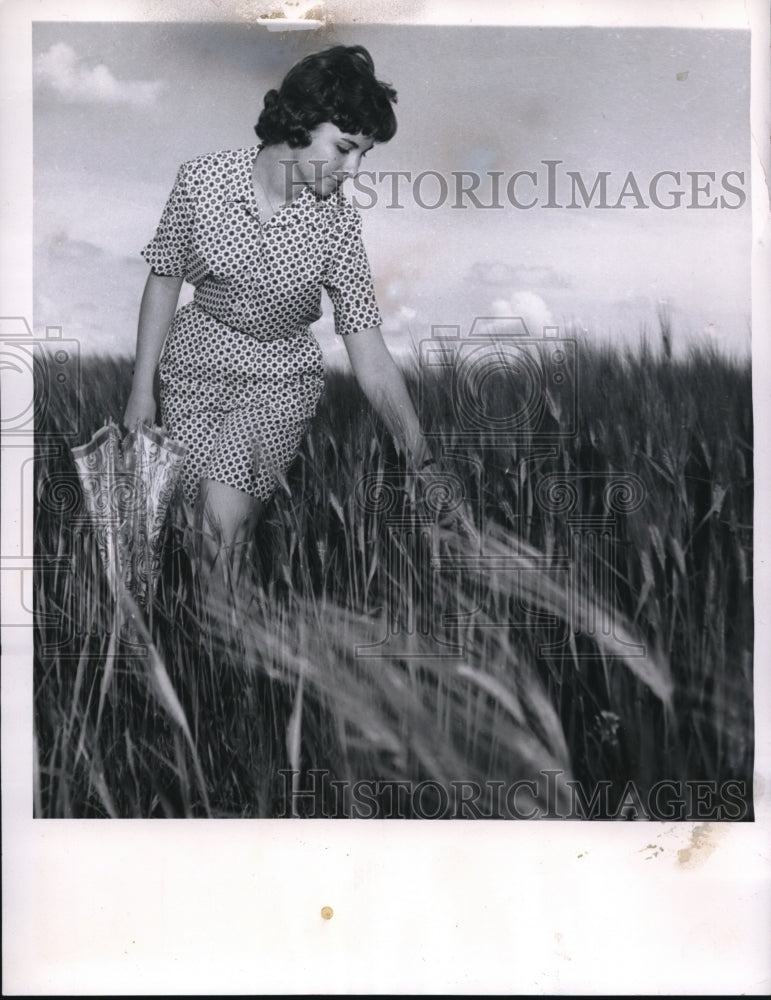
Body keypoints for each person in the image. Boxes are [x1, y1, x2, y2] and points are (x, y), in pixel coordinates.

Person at [122, 45, 433, 590]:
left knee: (220, 526)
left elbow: (371, 355)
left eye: (362, 154)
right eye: (343, 149)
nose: (353, 170)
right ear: (298, 123)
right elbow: (165, 278)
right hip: (192, 372)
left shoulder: (337, 225)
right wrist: (141, 389)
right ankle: (232, 661)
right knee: (208, 545)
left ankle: (241, 656)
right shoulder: (200, 182)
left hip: (277, 381)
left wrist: (421, 457)